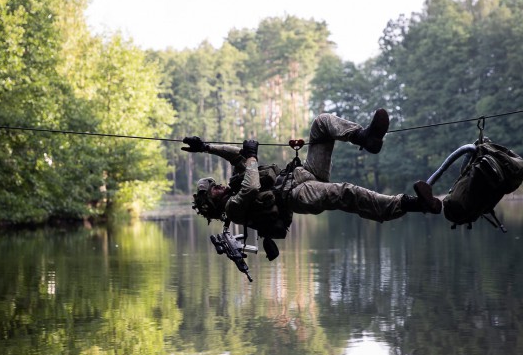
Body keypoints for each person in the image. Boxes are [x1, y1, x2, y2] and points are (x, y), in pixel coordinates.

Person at [183, 109, 441, 257]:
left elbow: (235, 156)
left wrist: (207, 147)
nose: (218, 186)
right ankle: (412, 204)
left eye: (215, 184)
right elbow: (251, 185)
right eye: (213, 190)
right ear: (212, 203)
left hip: (304, 173)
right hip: (298, 194)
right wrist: (251, 157)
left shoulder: (234, 184)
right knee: (347, 193)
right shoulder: (234, 208)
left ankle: (366, 137)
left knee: (321, 123)